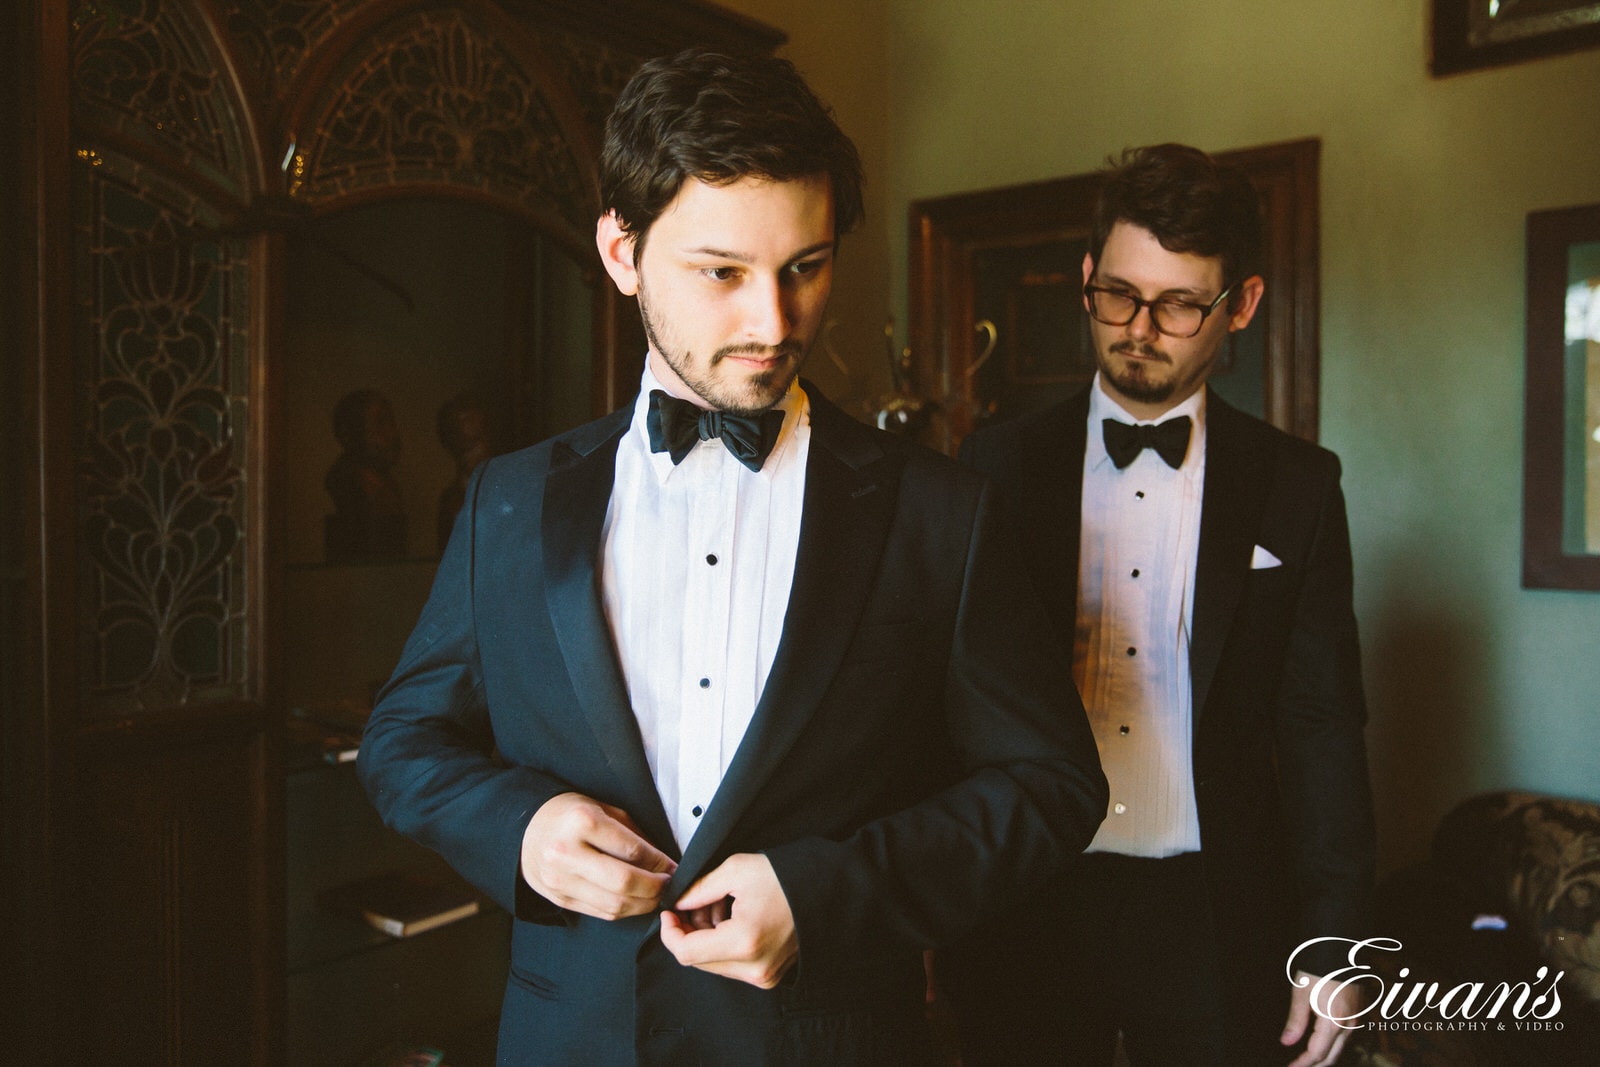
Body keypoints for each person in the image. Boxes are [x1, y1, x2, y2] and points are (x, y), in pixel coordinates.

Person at [357, 47, 1107, 1066]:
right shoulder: (510, 499)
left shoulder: (942, 512)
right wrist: (520, 830)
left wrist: (826, 889)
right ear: (620, 252)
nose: (774, 321)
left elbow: (1051, 782)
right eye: (721, 272)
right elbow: (404, 737)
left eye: (805, 267)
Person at [943, 143, 1376, 1067]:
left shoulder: (1298, 485)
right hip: (1029, 898)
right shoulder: (990, 470)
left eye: (1180, 304)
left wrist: (1336, 935)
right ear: (1089, 277)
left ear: (1242, 307)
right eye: (1118, 295)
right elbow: (945, 706)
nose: (1140, 328)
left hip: (1218, 909)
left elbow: (1321, 722)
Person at [324, 387, 407, 560]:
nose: (392, 434)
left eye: (391, 423)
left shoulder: (386, 482)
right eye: (380, 423)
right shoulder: (345, 480)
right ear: (350, 433)